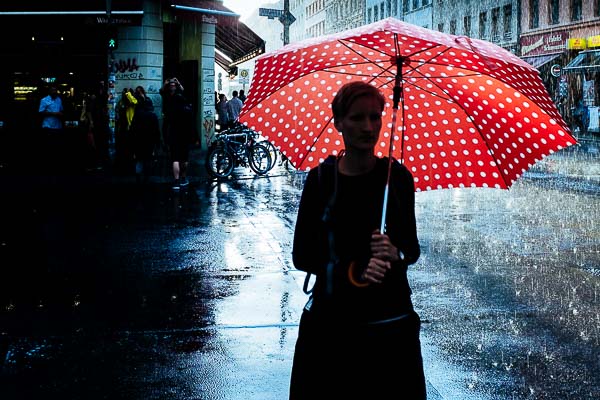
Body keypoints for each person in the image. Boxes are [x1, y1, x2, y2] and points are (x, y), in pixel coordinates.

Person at [289, 81, 426, 399]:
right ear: (338, 122)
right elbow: (303, 255)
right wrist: (354, 270)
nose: (368, 127)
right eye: (357, 118)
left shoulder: (397, 178)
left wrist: (396, 251)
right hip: (332, 326)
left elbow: (412, 249)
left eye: (375, 117)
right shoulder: (322, 180)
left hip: (389, 324)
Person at [161, 77, 192, 190]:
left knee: (175, 159)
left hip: (173, 134)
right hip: (184, 135)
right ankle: (183, 178)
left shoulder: (169, 106)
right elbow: (191, 126)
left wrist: (167, 83)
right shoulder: (187, 110)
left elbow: (162, 91)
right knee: (184, 158)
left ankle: (176, 181)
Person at [130, 86, 160, 182]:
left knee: (139, 160)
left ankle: (138, 177)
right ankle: (147, 177)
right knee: (148, 159)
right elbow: (156, 131)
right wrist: (157, 143)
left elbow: (132, 129)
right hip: (149, 141)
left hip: (138, 140)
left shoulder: (137, 115)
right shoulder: (152, 115)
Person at [38, 86, 64, 171]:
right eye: (53, 90)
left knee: (57, 146)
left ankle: (56, 164)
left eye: (56, 90)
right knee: (48, 146)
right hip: (47, 125)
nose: (54, 92)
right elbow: (41, 112)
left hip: (58, 126)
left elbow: (61, 110)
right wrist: (54, 114)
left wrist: (60, 114)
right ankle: (47, 165)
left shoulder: (59, 99)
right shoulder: (44, 100)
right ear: (49, 91)